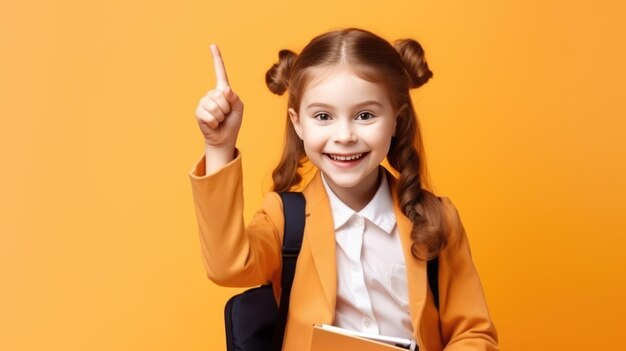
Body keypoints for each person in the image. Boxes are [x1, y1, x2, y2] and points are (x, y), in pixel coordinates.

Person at [189, 28, 499, 351]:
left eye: (365, 115)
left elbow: (473, 333)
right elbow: (227, 266)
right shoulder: (285, 219)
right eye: (323, 116)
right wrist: (219, 147)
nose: (345, 135)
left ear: (396, 119)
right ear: (298, 123)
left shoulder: (437, 220)